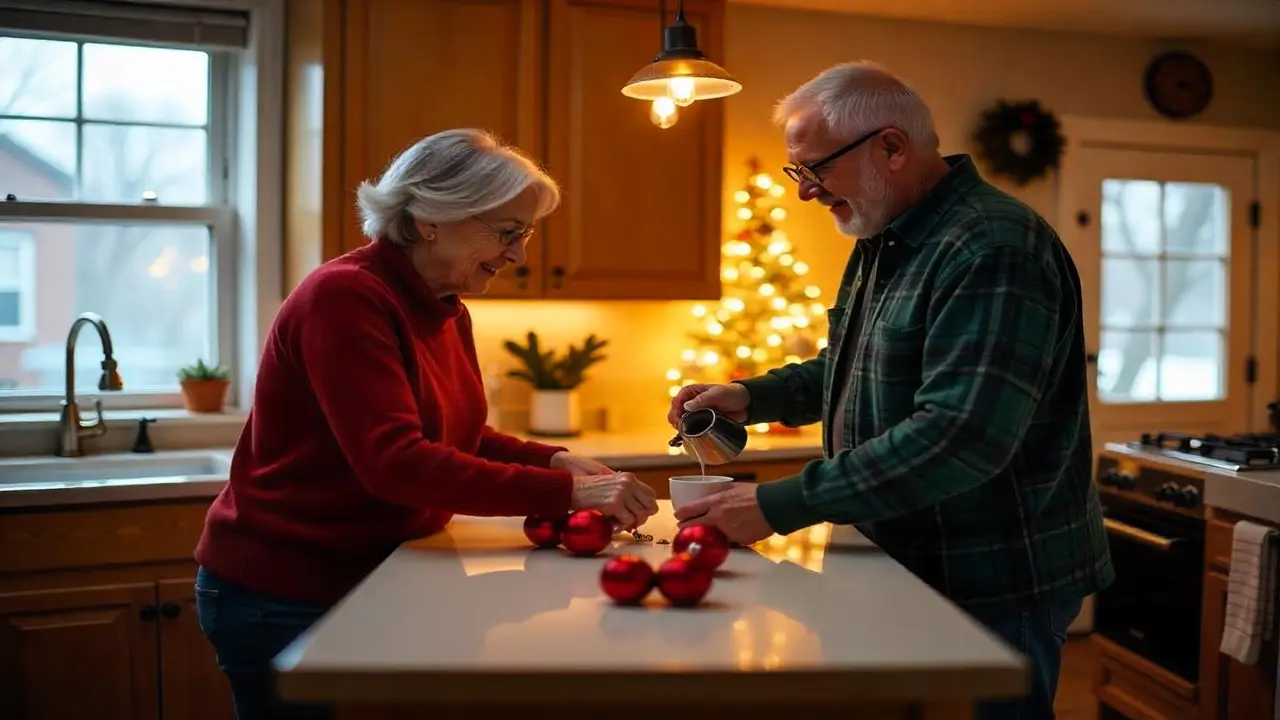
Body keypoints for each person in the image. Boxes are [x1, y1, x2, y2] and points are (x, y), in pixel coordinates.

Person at [668, 62, 1113, 720]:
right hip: (911, 559)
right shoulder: (888, 237)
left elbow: (961, 438)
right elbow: (856, 366)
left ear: (892, 147)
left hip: (993, 576)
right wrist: (751, 398)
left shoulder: (992, 248)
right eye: (800, 173)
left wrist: (778, 504)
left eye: (814, 169)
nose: (805, 193)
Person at [194, 128, 659, 720]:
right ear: (432, 218)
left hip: (373, 575)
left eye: (525, 234)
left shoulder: (443, 307)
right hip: (284, 591)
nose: (518, 255)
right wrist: (570, 492)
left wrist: (551, 460)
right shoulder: (346, 297)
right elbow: (396, 462)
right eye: (507, 233)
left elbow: (453, 436)